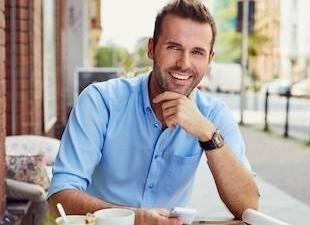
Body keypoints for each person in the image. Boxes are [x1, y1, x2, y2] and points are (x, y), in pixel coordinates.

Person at [48, 0, 259, 224]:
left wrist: (207, 134)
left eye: (197, 52)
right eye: (173, 47)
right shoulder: (101, 101)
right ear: (151, 48)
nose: (184, 63)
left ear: (210, 60)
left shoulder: (214, 115)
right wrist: (132, 219)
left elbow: (248, 207)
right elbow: (59, 198)